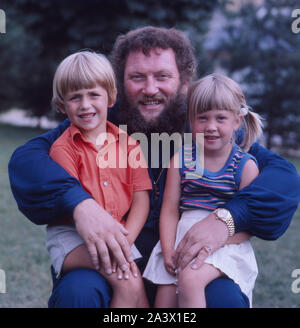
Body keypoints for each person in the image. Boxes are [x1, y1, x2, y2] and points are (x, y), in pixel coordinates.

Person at [8, 26, 300, 308]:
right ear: (120, 84)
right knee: (78, 291)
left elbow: (282, 177)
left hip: (187, 266)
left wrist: (227, 219)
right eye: (137, 77)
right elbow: (28, 159)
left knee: (224, 297)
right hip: (112, 262)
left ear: (184, 82)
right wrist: (80, 205)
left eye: (162, 76)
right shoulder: (98, 123)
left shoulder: (205, 129)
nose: (150, 89)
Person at [143, 74, 263, 307]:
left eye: (220, 118)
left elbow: (250, 223)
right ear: (191, 120)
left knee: (190, 279)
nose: (211, 127)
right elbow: (169, 210)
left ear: (237, 121)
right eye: (202, 118)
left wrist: (216, 243)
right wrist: (168, 250)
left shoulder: (244, 166)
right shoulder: (182, 159)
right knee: (164, 302)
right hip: (180, 241)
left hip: (225, 245)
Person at [46, 51, 151, 307]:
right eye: (74, 97)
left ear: (111, 97)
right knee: (128, 281)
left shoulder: (129, 146)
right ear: (62, 105)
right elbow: (72, 207)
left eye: (93, 94)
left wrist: (125, 241)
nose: (85, 105)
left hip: (117, 236)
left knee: (142, 297)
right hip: (73, 238)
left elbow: (141, 200)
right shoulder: (62, 150)